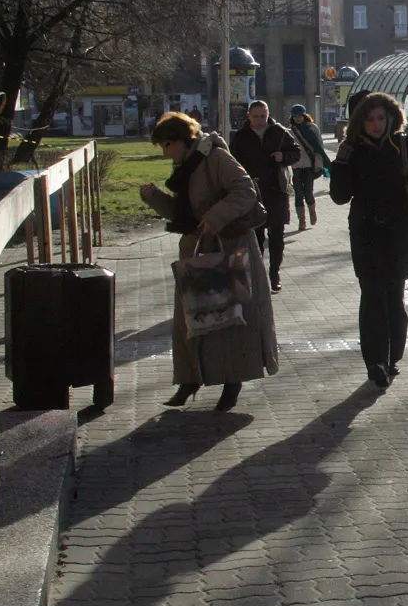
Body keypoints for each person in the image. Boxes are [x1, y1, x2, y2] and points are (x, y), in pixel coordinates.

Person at [138, 112, 278, 412]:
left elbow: (245, 191)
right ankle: (190, 379)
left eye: (166, 144)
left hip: (228, 248)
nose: (164, 152)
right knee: (192, 319)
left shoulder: (216, 157)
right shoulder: (184, 165)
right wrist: (154, 198)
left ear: (181, 140)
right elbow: (182, 213)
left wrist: (214, 219)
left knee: (230, 318)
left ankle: (232, 383)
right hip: (197, 250)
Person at [329, 92, 408, 390]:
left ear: (391, 118)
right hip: (366, 232)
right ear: (360, 122)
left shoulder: (403, 144)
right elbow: (339, 196)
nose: (377, 125)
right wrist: (341, 164)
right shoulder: (351, 150)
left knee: (394, 296)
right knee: (372, 295)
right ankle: (375, 362)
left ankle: (392, 357)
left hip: (399, 232)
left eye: (381, 118)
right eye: (370, 119)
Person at [230, 100, 300, 294]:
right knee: (256, 237)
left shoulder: (279, 132)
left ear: (268, 114)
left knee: (277, 236)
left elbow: (296, 152)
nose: (260, 120)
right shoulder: (241, 137)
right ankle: (258, 275)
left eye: (263, 115)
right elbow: (232, 161)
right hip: (253, 193)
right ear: (249, 117)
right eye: (256, 116)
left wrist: (283, 157)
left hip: (276, 192)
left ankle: (274, 274)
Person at [287, 104, 330, 231]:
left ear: (304, 115)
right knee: (298, 193)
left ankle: (312, 211)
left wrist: (319, 164)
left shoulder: (313, 128)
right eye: (295, 116)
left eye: (299, 116)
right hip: (296, 165)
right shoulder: (290, 131)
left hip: (310, 165)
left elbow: (319, 147)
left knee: (308, 191)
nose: (297, 119)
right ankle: (302, 221)